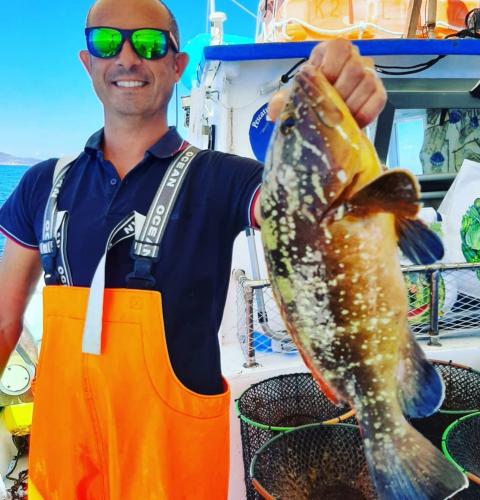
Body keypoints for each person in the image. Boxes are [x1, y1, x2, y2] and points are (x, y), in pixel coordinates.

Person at [0, 0, 387, 498]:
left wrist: (324, 112)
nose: (127, 58)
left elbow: (303, 204)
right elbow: (8, 321)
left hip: (171, 468)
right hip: (63, 462)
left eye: (149, 44)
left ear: (177, 63)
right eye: (106, 41)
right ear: (86, 60)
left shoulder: (221, 179)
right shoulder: (41, 185)